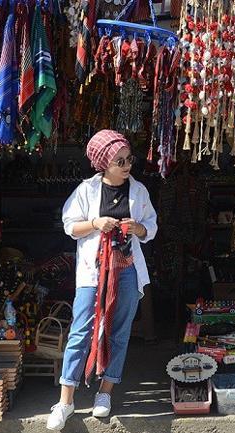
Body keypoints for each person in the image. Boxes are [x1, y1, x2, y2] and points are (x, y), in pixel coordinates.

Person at [46, 130, 158, 430]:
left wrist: (138, 229)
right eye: (119, 160)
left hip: (127, 270)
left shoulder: (139, 191)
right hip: (93, 271)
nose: (126, 165)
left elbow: (152, 228)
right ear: (103, 164)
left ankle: (106, 392)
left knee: (119, 331)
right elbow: (70, 226)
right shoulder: (86, 190)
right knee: (80, 332)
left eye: (128, 159)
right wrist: (96, 223)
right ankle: (65, 401)